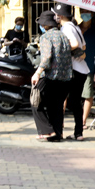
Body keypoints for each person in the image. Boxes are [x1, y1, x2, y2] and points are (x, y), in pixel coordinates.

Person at [31, 11, 72, 142]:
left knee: (35, 101)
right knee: (57, 107)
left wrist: (37, 73)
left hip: (50, 76)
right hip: (65, 78)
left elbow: (47, 57)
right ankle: (57, 133)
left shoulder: (46, 37)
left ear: (44, 24)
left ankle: (47, 131)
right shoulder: (64, 36)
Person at [54, 3, 88, 141]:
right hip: (82, 69)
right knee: (75, 102)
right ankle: (78, 133)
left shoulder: (66, 28)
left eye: (56, 14)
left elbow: (74, 44)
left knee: (59, 100)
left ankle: (58, 132)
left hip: (72, 70)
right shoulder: (75, 27)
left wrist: (61, 49)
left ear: (60, 15)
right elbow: (83, 46)